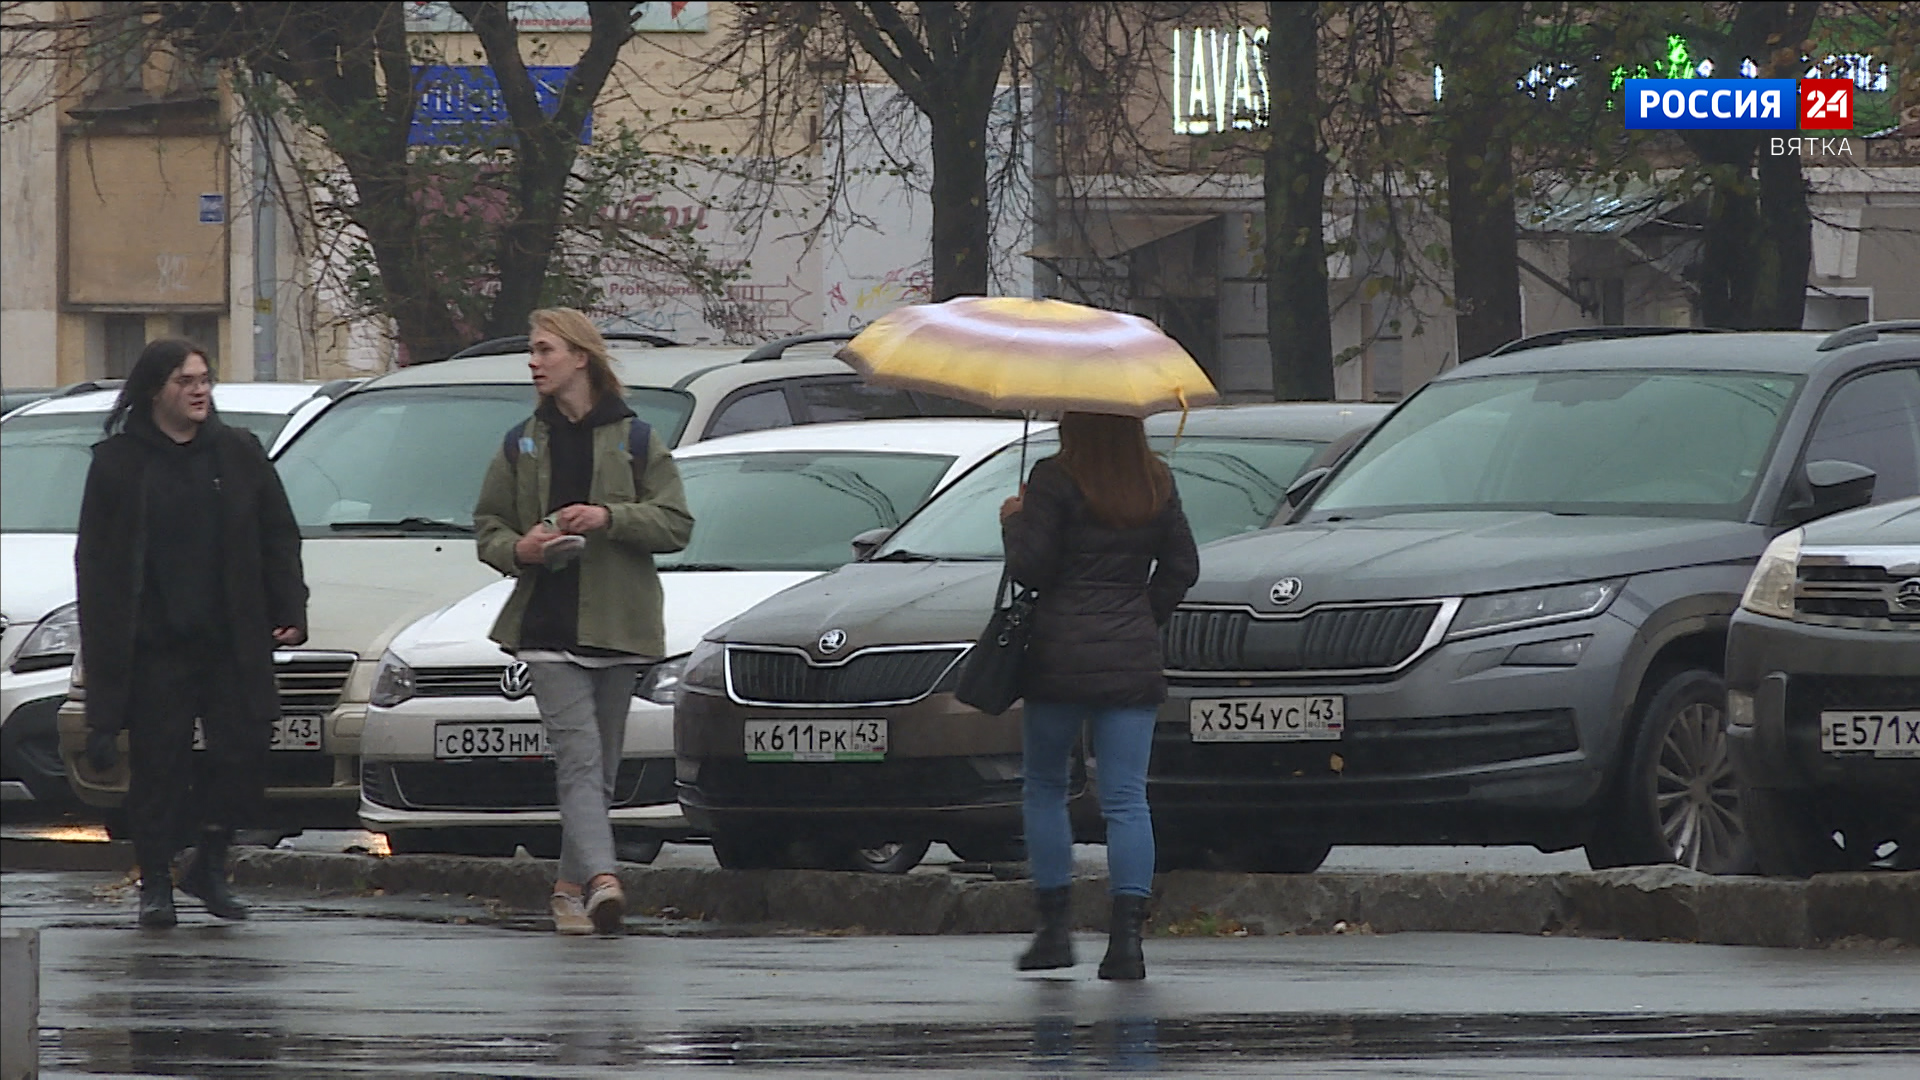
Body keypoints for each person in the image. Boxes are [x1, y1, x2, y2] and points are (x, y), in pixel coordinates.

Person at [473, 308, 693, 936]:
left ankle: (569, 889)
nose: (534, 362)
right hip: (545, 628)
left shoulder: (637, 439)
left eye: (545, 350)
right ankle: (605, 880)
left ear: (580, 357)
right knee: (578, 760)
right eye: (533, 351)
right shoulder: (521, 441)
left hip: (619, 626)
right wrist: (523, 550)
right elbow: (488, 526)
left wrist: (609, 518)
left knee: (600, 769)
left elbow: (677, 525)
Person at [76, 338, 309, 929]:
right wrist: (105, 673)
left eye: (205, 379)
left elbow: (277, 535)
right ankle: (156, 882)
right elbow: (98, 565)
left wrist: (289, 606)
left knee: (245, 754)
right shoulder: (119, 463)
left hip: (231, 639)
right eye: (187, 381)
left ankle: (209, 861)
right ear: (157, 390)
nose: (201, 390)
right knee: (158, 768)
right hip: (157, 645)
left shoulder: (237, 453)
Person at [999, 411, 1199, 980]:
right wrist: (1140, 614)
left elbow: (1031, 569)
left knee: (1044, 786)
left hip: (1059, 657)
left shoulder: (1054, 478)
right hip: (1130, 659)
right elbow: (1183, 565)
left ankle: (1055, 932)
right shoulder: (1155, 481)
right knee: (1126, 800)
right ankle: (1127, 945)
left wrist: (1015, 522)